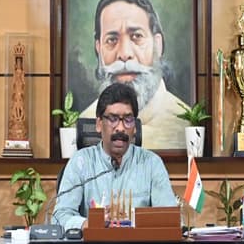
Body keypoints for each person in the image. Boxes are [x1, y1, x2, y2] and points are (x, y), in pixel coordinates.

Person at [53, 83, 177, 231]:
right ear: (99, 124)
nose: (121, 128)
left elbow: (169, 218)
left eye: (128, 120)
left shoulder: (151, 164)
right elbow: (60, 216)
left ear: (135, 127)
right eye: (113, 119)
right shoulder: (81, 162)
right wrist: (88, 224)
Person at [79, 0, 189, 150]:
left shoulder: (186, 125)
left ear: (158, 45)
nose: (124, 54)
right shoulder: (84, 123)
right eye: (111, 40)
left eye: (137, 36)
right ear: (98, 49)